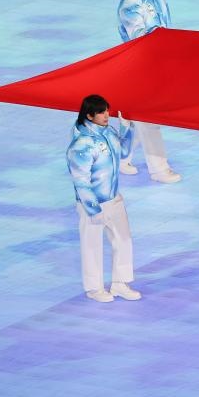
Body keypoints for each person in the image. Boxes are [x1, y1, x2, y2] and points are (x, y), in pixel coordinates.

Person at [66, 94, 142, 302]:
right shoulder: (81, 145)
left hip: (114, 198)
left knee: (123, 239)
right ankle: (94, 288)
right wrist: (93, 208)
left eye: (107, 110)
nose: (106, 115)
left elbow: (124, 152)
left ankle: (120, 283)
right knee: (92, 245)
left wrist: (126, 128)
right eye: (101, 112)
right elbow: (80, 181)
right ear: (89, 115)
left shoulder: (109, 132)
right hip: (91, 204)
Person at [115, 0, 181, 184]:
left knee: (133, 117)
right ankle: (159, 169)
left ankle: (119, 158)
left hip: (159, 63)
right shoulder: (130, 5)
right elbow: (140, 37)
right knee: (148, 118)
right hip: (140, 67)